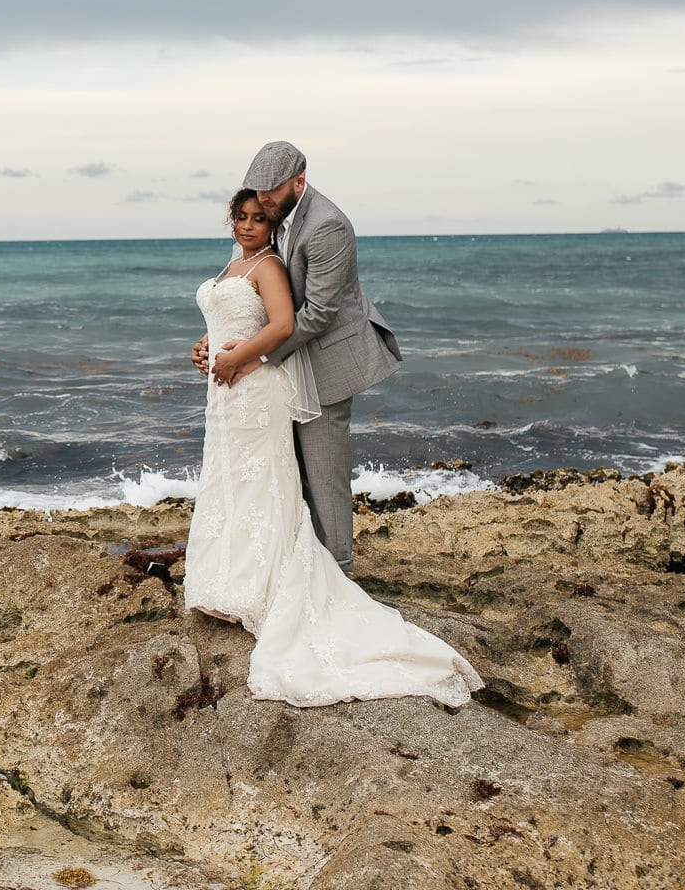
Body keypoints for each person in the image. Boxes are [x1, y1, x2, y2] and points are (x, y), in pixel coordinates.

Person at [186, 189, 481, 707]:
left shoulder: (271, 266)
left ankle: (267, 582)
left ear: (273, 222)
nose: (248, 225)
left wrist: (243, 361)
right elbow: (233, 322)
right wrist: (205, 347)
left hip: (255, 389)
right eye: (241, 217)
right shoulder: (235, 263)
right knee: (229, 477)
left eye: (259, 218)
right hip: (224, 390)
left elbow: (282, 326)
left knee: (264, 480)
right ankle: (227, 578)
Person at [193, 141, 399, 572]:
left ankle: (339, 573)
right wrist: (213, 343)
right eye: (256, 192)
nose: (262, 201)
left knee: (324, 476)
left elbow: (319, 313)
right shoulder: (268, 219)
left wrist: (253, 357)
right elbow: (244, 295)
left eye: (270, 192)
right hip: (276, 364)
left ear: (299, 182)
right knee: (286, 474)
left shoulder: (328, 226)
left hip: (325, 361)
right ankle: (296, 567)